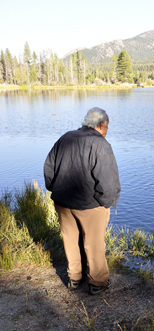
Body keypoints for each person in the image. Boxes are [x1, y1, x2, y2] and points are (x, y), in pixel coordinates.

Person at [44, 107, 121, 295]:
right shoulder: (100, 144)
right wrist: (108, 201)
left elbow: (48, 168)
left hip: (63, 203)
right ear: (101, 124)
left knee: (71, 240)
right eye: (107, 125)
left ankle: (74, 278)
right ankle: (98, 282)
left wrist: (55, 190)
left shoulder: (66, 137)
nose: (107, 129)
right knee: (94, 243)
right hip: (90, 204)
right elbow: (108, 179)